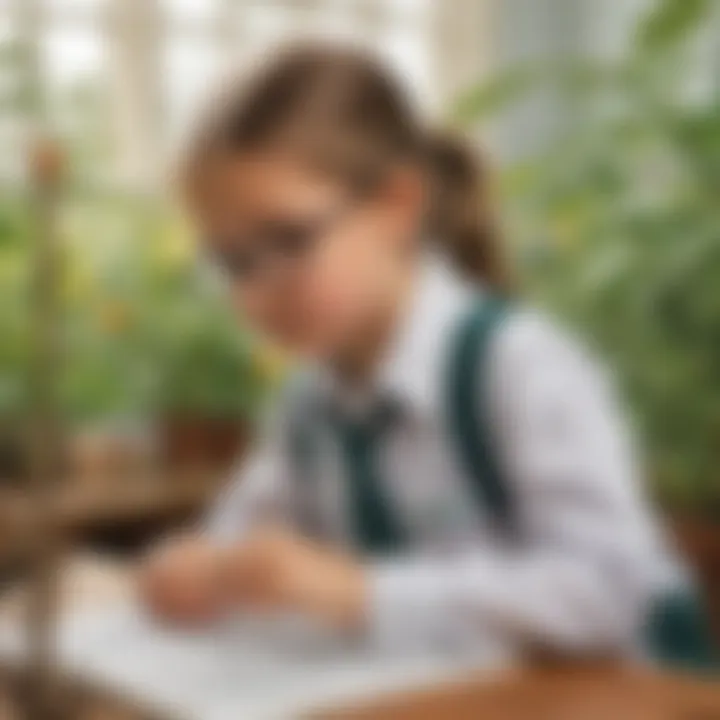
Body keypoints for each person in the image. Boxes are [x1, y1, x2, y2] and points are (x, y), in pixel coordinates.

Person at [140, 43, 711, 666]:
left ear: (397, 206)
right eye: (233, 262)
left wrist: (361, 591)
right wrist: (198, 567)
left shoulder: (518, 367)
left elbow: (611, 591)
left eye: (288, 240)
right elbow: (238, 534)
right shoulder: (306, 403)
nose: (256, 290)